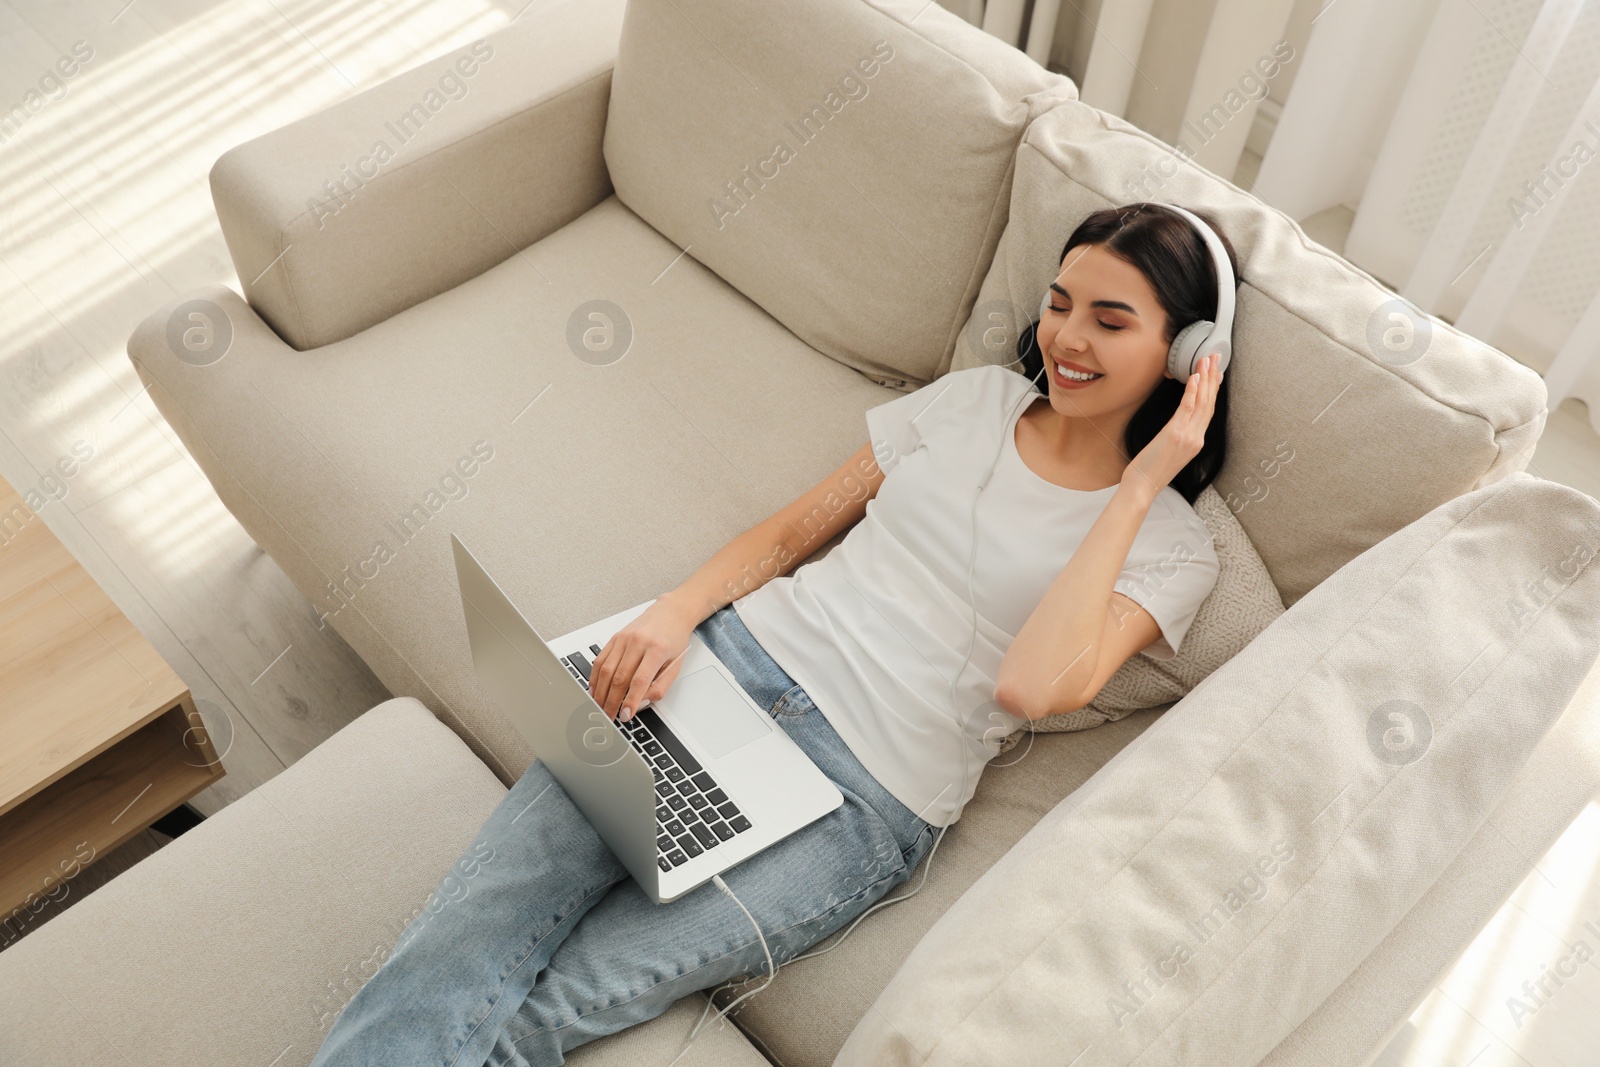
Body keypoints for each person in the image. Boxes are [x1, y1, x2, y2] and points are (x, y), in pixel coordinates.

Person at [308, 202, 1233, 1067]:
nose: (1068, 338)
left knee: (554, 1007)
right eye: (1061, 304)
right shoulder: (971, 402)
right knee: (475, 929)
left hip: (865, 798)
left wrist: (1142, 485)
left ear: (1186, 354)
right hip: (730, 668)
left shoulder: (1170, 547)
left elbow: (1034, 684)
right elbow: (798, 529)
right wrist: (676, 612)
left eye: (1112, 322)